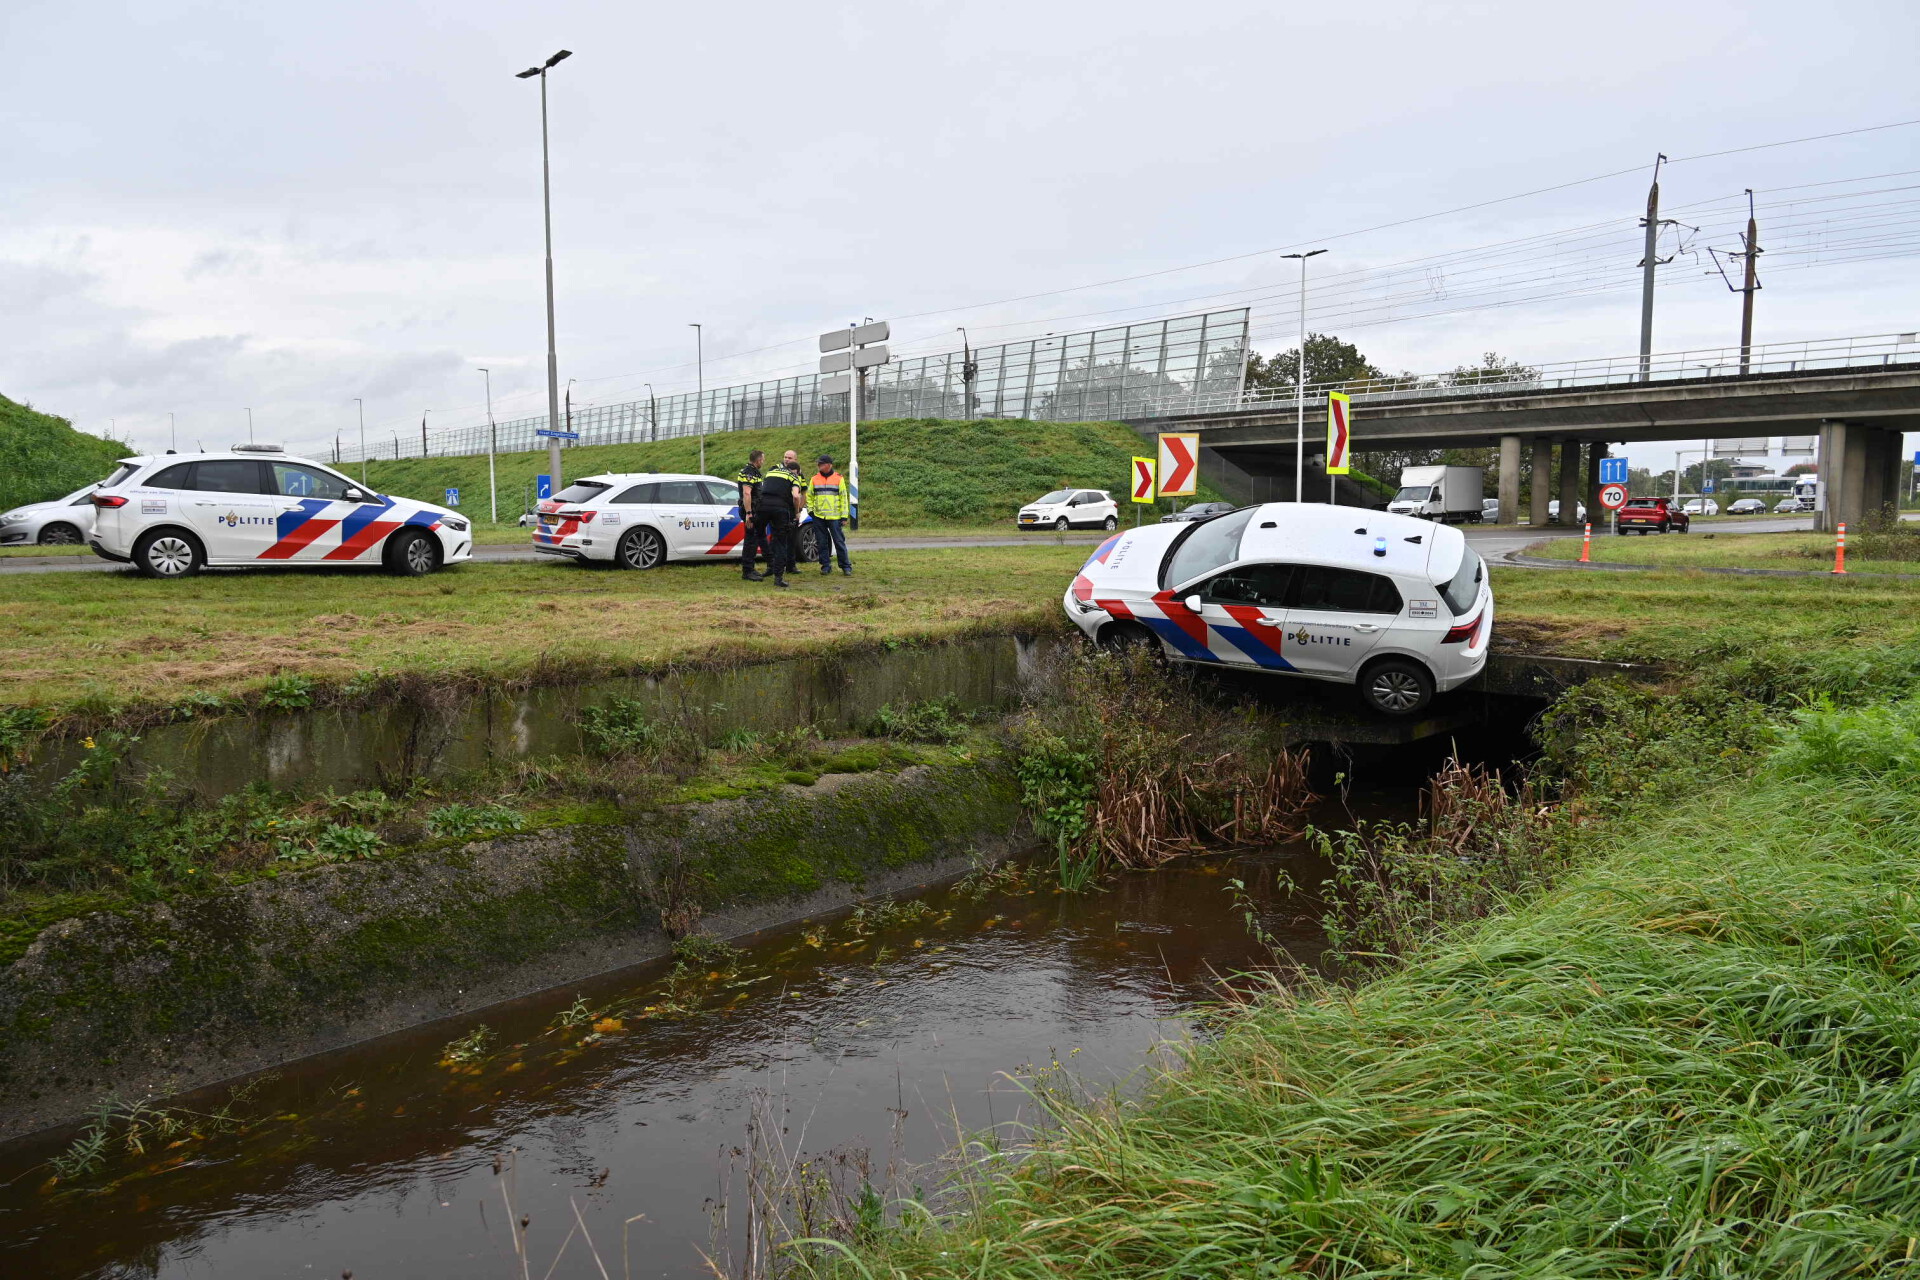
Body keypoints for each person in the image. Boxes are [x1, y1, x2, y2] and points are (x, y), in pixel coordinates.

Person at [755, 450, 806, 588]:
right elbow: (796, 496)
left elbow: (762, 487)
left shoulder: (771, 472)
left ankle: (770, 562)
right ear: (796, 471)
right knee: (781, 542)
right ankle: (778, 577)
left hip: (763, 506)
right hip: (780, 509)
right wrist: (796, 512)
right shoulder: (794, 477)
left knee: (759, 534)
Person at [807, 455, 853, 576]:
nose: (818, 465)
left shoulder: (839, 478)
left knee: (839, 542)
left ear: (829, 465)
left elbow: (843, 498)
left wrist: (844, 516)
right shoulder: (814, 479)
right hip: (819, 516)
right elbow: (809, 496)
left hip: (835, 517)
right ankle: (825, 566)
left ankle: (846, 566)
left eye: (821, 464)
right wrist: (811, 511)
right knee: (821, 542)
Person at [734, 450, 766, 581]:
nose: (763, 462)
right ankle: (747, 571)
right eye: (762, 459)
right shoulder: (749, 472)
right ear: (758, 460)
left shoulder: (752, 471)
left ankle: (750, 568)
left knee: (753, 540)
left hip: (753, 509)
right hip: (750, 510)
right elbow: (747, 493)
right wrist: (749, 513)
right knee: (750, 541)